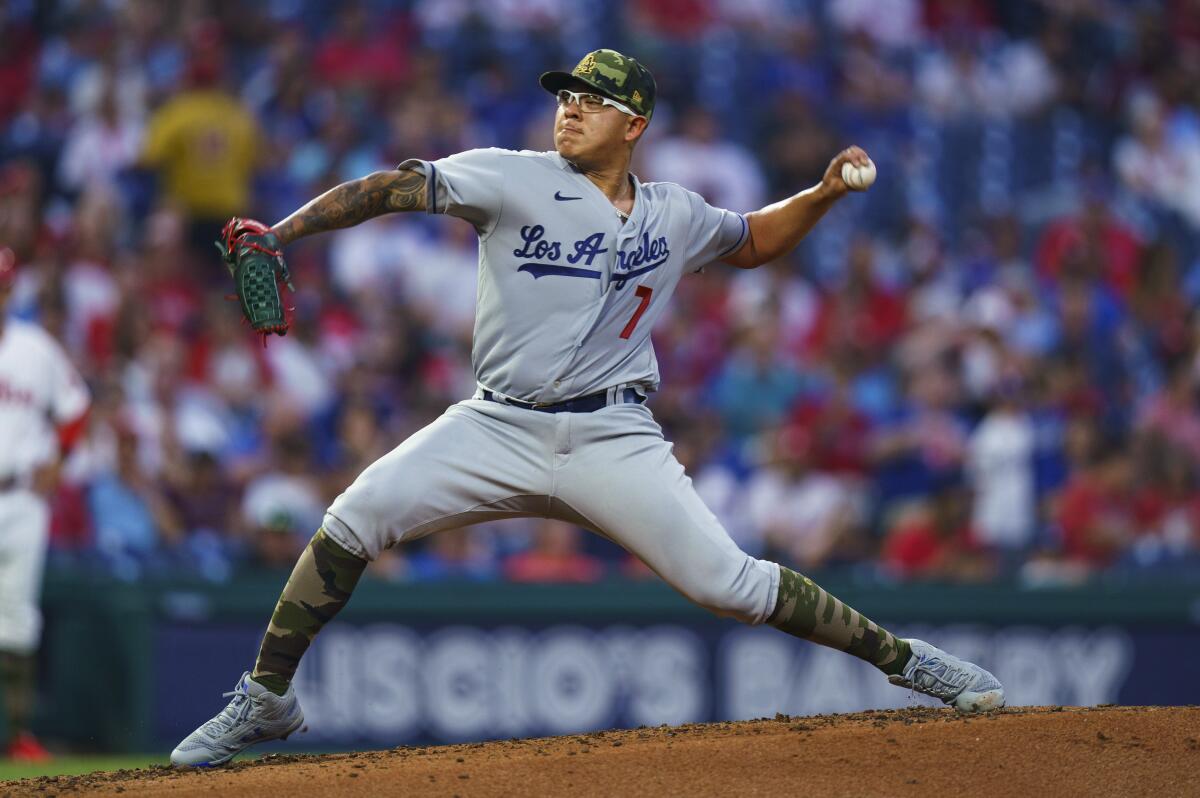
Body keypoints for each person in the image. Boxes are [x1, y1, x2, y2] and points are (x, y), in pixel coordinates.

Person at [171, 49, 1004, 767]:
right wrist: (281, 233)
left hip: (614, 432)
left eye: (591, 99)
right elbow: (393, 187)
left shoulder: (674, 211)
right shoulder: (512, 174)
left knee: (731, 584)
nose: (569, 108)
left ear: (634, 122)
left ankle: (908, 663)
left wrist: (820, 194)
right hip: (497, 422)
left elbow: (750, 240)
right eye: (564, 95)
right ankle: (266, 698)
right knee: (353, 518)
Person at [0, 249, 91, 761]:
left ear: (11, 291)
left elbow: (76, 408)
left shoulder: (35, 349)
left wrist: (59, 456)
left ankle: (17, 736)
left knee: (15, 619)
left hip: (21, 498)